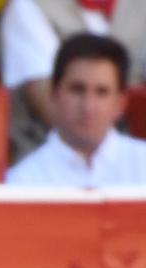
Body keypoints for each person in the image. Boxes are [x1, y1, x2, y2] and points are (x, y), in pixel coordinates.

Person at [8, 32, 146, 184]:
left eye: (102, 92)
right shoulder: (22, 181)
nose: (88, 106)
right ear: (54, 94)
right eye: (77, 90)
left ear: (121, 103)